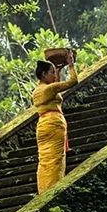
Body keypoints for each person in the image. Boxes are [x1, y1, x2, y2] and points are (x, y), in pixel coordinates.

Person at [32, 50, 78, 194]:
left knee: (45, 160)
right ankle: (53, 191)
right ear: (44, 74)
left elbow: (55, 87)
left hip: (42, 126)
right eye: (51, 72)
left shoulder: (37, 91)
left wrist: (58, 70)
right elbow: (73, 81)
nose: (54, 75)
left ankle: (43, 190)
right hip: (54, 124)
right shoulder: (50, 89)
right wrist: (70, 65)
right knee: (55, 160)